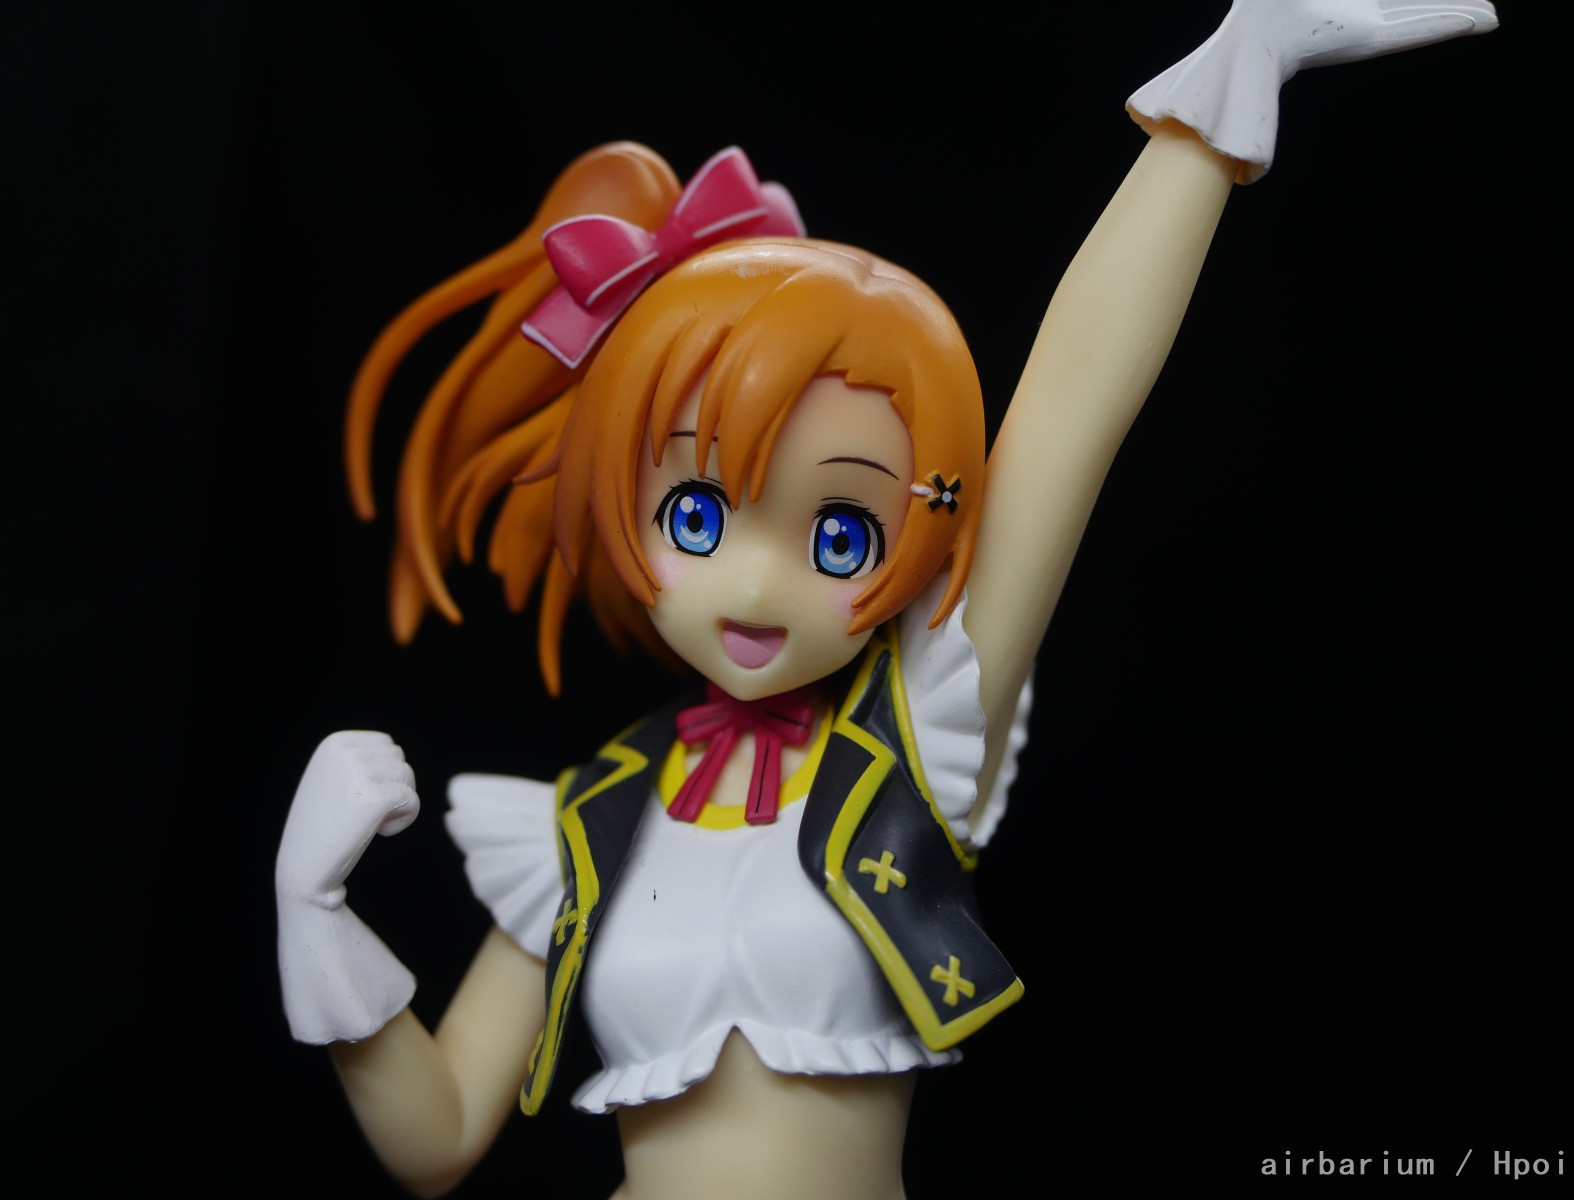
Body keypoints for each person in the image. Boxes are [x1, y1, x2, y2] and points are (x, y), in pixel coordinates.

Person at [274, 4, 1498, 1197]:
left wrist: (1224, 94)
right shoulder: (583, 826)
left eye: (839, 533)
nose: (758, 583)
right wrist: (312, 913)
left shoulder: (913, 736)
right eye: (696, 516)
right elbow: (437, 1139)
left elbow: (1068, 414)